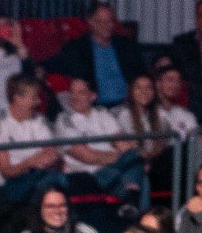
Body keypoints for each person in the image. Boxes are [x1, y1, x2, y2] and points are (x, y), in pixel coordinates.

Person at [54, 76, 148, 210]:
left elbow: (122, 143)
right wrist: (124, 158)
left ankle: (131, 203)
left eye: (81, 92)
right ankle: (137, 211)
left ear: (92, 96)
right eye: (72, 92)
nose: (75, 97)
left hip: (114, 168)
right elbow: (88, 157)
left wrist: (130, 155)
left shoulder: (102, 113)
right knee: (135, 168)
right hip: (89, 175)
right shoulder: (64, 120)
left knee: (137, 167)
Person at [0, 75, 66, 207]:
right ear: (17, 99)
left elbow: (52, 154)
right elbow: (7, 171)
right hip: (12, 185)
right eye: (33, 98)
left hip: (41, 175)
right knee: (55, 183)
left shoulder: (40, 120)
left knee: (65, 181)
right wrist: (31, 162)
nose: (38, 102)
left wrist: (42, 161)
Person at [44, 1, 142, 108]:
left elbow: (140, 73)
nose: (106, 25)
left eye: (109, 21)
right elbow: (50, 66)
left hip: (128, 105)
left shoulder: (126, 46)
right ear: (90, 21)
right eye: (100, 21)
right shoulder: (77, 47)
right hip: (95, 107)